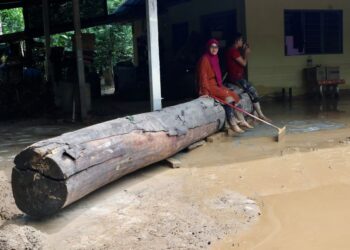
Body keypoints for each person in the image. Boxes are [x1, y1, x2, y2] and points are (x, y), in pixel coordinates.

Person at [196, 38, 252, 133]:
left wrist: (220, 85)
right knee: (228, 98)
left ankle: (241, 120)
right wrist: (205, 91)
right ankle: (233, 123)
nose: (214, 49)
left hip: (217, 84)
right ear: (208, 48)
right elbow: (203, 76)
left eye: (216, 47)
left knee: (235, 95)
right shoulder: (205, 59)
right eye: (212, 47)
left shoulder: (215, 57)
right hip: (209, 86)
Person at [226, 32, 269, 121]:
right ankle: (261, 115)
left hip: (237, 77)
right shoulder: (233, 51)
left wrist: (243, 52)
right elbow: (244, 63)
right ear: (237, 41)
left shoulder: (234, 50)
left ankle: (257, 114)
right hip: (236, 78)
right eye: (241, 40)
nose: (242, 42)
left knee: (250, 91)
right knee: (253, 92)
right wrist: (246, 53)